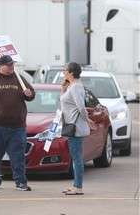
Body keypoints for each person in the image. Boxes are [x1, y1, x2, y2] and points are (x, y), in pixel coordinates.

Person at [0, 55, 36, 191]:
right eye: (8, 65)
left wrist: (29, 94)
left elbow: (31, 94)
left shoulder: (19, 78)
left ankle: (21, 181)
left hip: (17, 125)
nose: (11, 67)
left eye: (12, 64)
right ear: (0, 65)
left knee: (18, 155)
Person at [60, 62, 97, 195]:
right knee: (75, 156)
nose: (63, 72)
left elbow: (81, 107)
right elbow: (64, 104)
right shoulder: (71, 87)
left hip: (75, 127)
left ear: (72, 72)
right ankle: (75, 184)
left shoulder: (76, 87)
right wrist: (63, 90)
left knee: (77, 158)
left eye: (65, 70)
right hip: (71, 126)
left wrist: (88, 120)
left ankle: (79, 187)